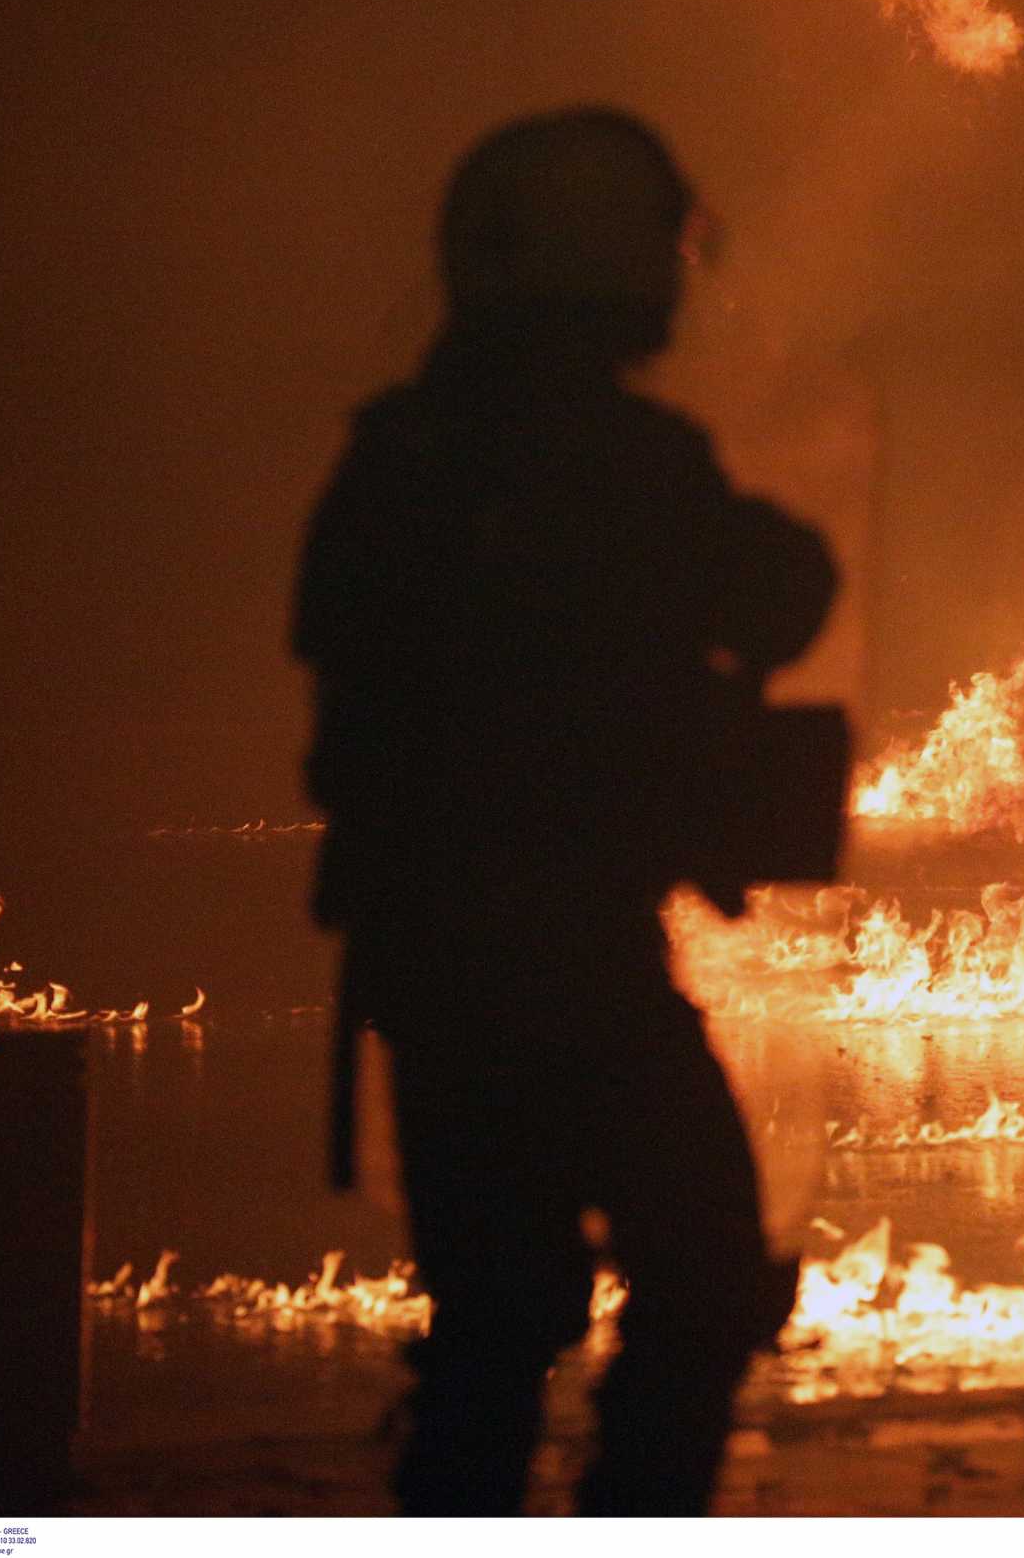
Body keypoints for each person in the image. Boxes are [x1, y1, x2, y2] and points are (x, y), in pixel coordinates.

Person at [292, 108, 837, 1515]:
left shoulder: (399, 456)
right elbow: (781, 588)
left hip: (434, 969)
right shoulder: (622, 462)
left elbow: (336, 653)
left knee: (499, 1315)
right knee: (706, 1271)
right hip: (577, 968)